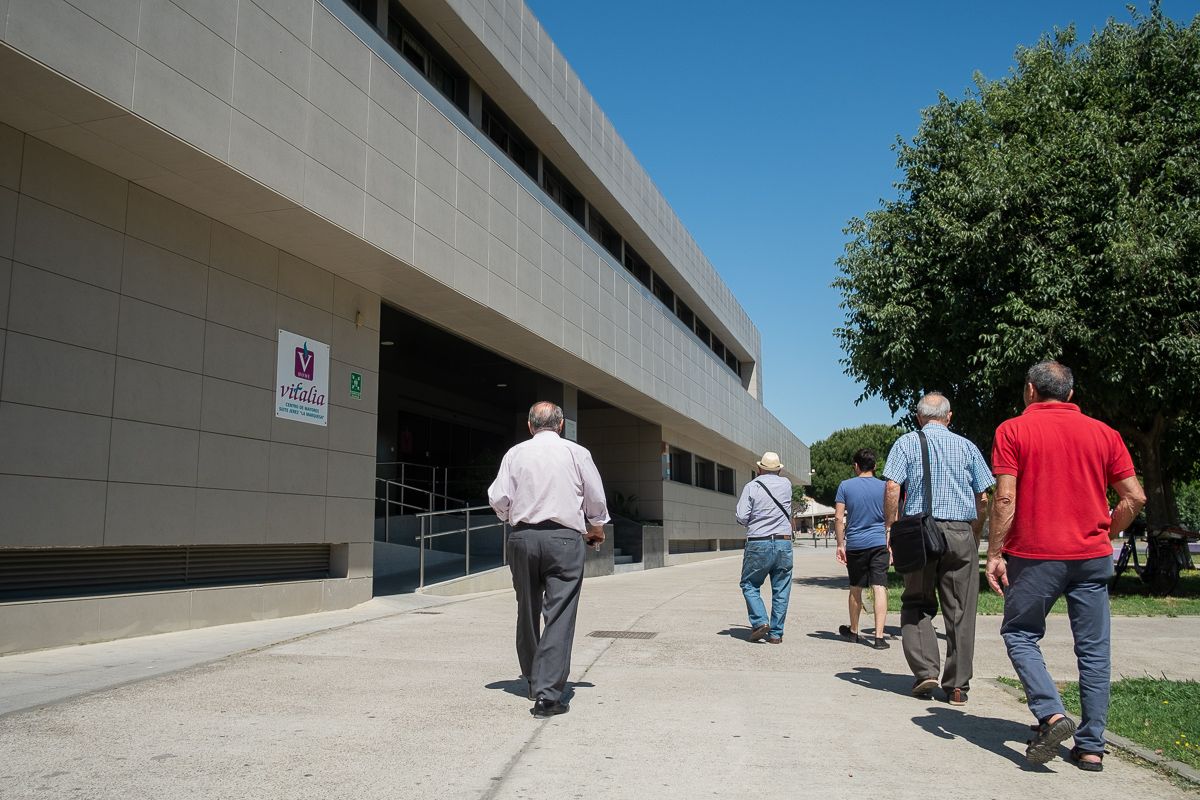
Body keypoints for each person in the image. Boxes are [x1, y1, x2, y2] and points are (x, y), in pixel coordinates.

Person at [986, 362, 1145, 771]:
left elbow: (1005, 499)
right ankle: (1091, 747)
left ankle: (1053, 715)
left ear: (1029, 391)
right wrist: (1106, 531)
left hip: (1036, 555)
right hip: (1091, 557)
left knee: (1020, 633)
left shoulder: (1013, 430)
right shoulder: (1104, 434)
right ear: (1071, 395)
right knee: (1094, 651)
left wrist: (995, 552)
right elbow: (1135, 498)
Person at [488, 401, 609, 718]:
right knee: (559, 614)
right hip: (564, 540)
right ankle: (548, 694)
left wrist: (511, 517)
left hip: (523, 537)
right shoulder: (576, 453)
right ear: (561, 425)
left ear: (530, 425)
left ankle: (531, 679)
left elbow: (498, 497)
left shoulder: (515, 454)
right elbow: (594, 496)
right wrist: (595, 527)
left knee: (526, 608)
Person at [883, 393, 993, 705]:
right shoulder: (968, 446)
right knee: (960, 610)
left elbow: (892, 486)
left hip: (920, 530)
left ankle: (925, 671)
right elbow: (983, 497)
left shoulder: (906, 443)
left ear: (918, 418)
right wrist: (973, 531)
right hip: (960, 531)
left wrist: (891, 528)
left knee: (916, 601)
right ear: (949, 417)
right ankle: (957, 686)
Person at [735, 452, 795, 644]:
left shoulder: (752, 486)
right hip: (783, 542)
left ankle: (760, 621)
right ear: (779, 469)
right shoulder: (786, 485)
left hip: (758, 542)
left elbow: (742, 517)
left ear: (759, 468)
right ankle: (776, 634)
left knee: (749, 584)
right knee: (781, 588)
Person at [834, 448, 890, 649]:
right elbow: (892, 518)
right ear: (874, 467)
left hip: (856, 544)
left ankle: (854, 632)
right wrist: (890, 543)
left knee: (855, 587)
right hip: (879, 543)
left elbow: (839, 518)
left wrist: (841, 544)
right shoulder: (885, 487)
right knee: (879, 587)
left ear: (856, 466)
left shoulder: (845, 486)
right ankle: (879, 637)